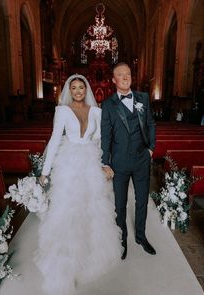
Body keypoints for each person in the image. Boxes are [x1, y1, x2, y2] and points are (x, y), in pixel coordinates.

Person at [37, 74, 122, 295]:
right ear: (69, 90)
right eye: (73, 88)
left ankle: (88, 254)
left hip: (90, 162)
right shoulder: (62, 111)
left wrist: (105, 164)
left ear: (86, 90)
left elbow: (102, 139)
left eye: (80, 88)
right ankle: (66, 263)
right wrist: (45, 172)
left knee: (91, 206)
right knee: (69, 208)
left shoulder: (96, 112)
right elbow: (55, 139)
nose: (77, 91)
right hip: (69, 163)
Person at [101, 62, 156, 260]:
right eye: (120, 75)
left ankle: (141, 236)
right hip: (120, 162)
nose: (125, 78)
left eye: (128, 74)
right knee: (120, 204)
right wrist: (105, 162)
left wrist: (151, 149)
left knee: (142, 201)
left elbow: (150, 123)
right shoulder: (107, 105)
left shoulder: (143, 98)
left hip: (142, 159)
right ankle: (122, 238)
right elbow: (105, 135)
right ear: (114, 80)